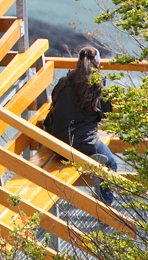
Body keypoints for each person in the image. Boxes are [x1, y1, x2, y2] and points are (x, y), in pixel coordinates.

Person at [48, 46, 116, 204]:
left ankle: (91, 159)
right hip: (82, 142)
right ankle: (106, 206)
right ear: (97, 64)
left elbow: (55, 102)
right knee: (110, 163)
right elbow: (106, 113)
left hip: (57, 142)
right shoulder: (96, 86)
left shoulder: (63, 82)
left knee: (86, 139)